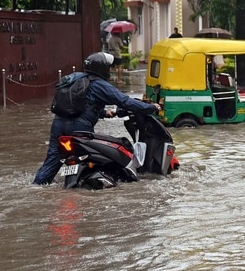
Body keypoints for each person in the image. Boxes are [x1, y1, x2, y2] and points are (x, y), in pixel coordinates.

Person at [33, 52, 161, 185]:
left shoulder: (74, 79)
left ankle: (37, 186)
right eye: (108, 67)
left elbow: (79, 105)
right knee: (90, 159)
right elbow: (125, 101)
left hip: (58, 124)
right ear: (102, 69)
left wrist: (104, 113)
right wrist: (151, 107)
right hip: (80, 126)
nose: (110, 70)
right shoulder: (99, 85)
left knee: (53, 159)